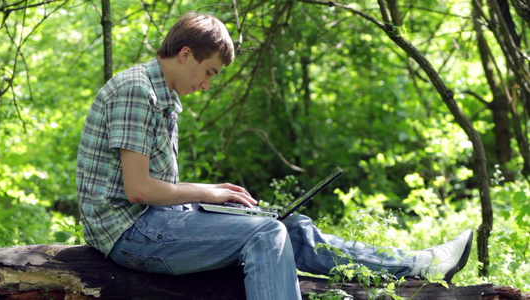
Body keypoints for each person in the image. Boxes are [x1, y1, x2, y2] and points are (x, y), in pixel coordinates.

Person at [76, 11, 474, 300]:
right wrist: (208, 193)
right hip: (129, 234)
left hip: (157, 222)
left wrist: (208, 195)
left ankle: (421, 265)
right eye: (210, 72)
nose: (208, 85)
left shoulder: (163, 95)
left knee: (290, 226)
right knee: (267, 234)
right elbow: (139, 190)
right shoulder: (136, 90)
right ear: (185, 54)